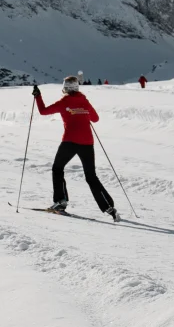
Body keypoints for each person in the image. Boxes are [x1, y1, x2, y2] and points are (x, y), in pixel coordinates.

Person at [33, 75, 117, 220]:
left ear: (65, 88)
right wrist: (82, 112)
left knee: (57, 168)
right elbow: (95, 119)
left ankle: (60, 201)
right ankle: (109, 207)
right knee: (91, 176)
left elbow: (43, 111)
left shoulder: (64, 101)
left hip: (70, 141)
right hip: (87, 143)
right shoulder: (84, 100)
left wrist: (38, 96)